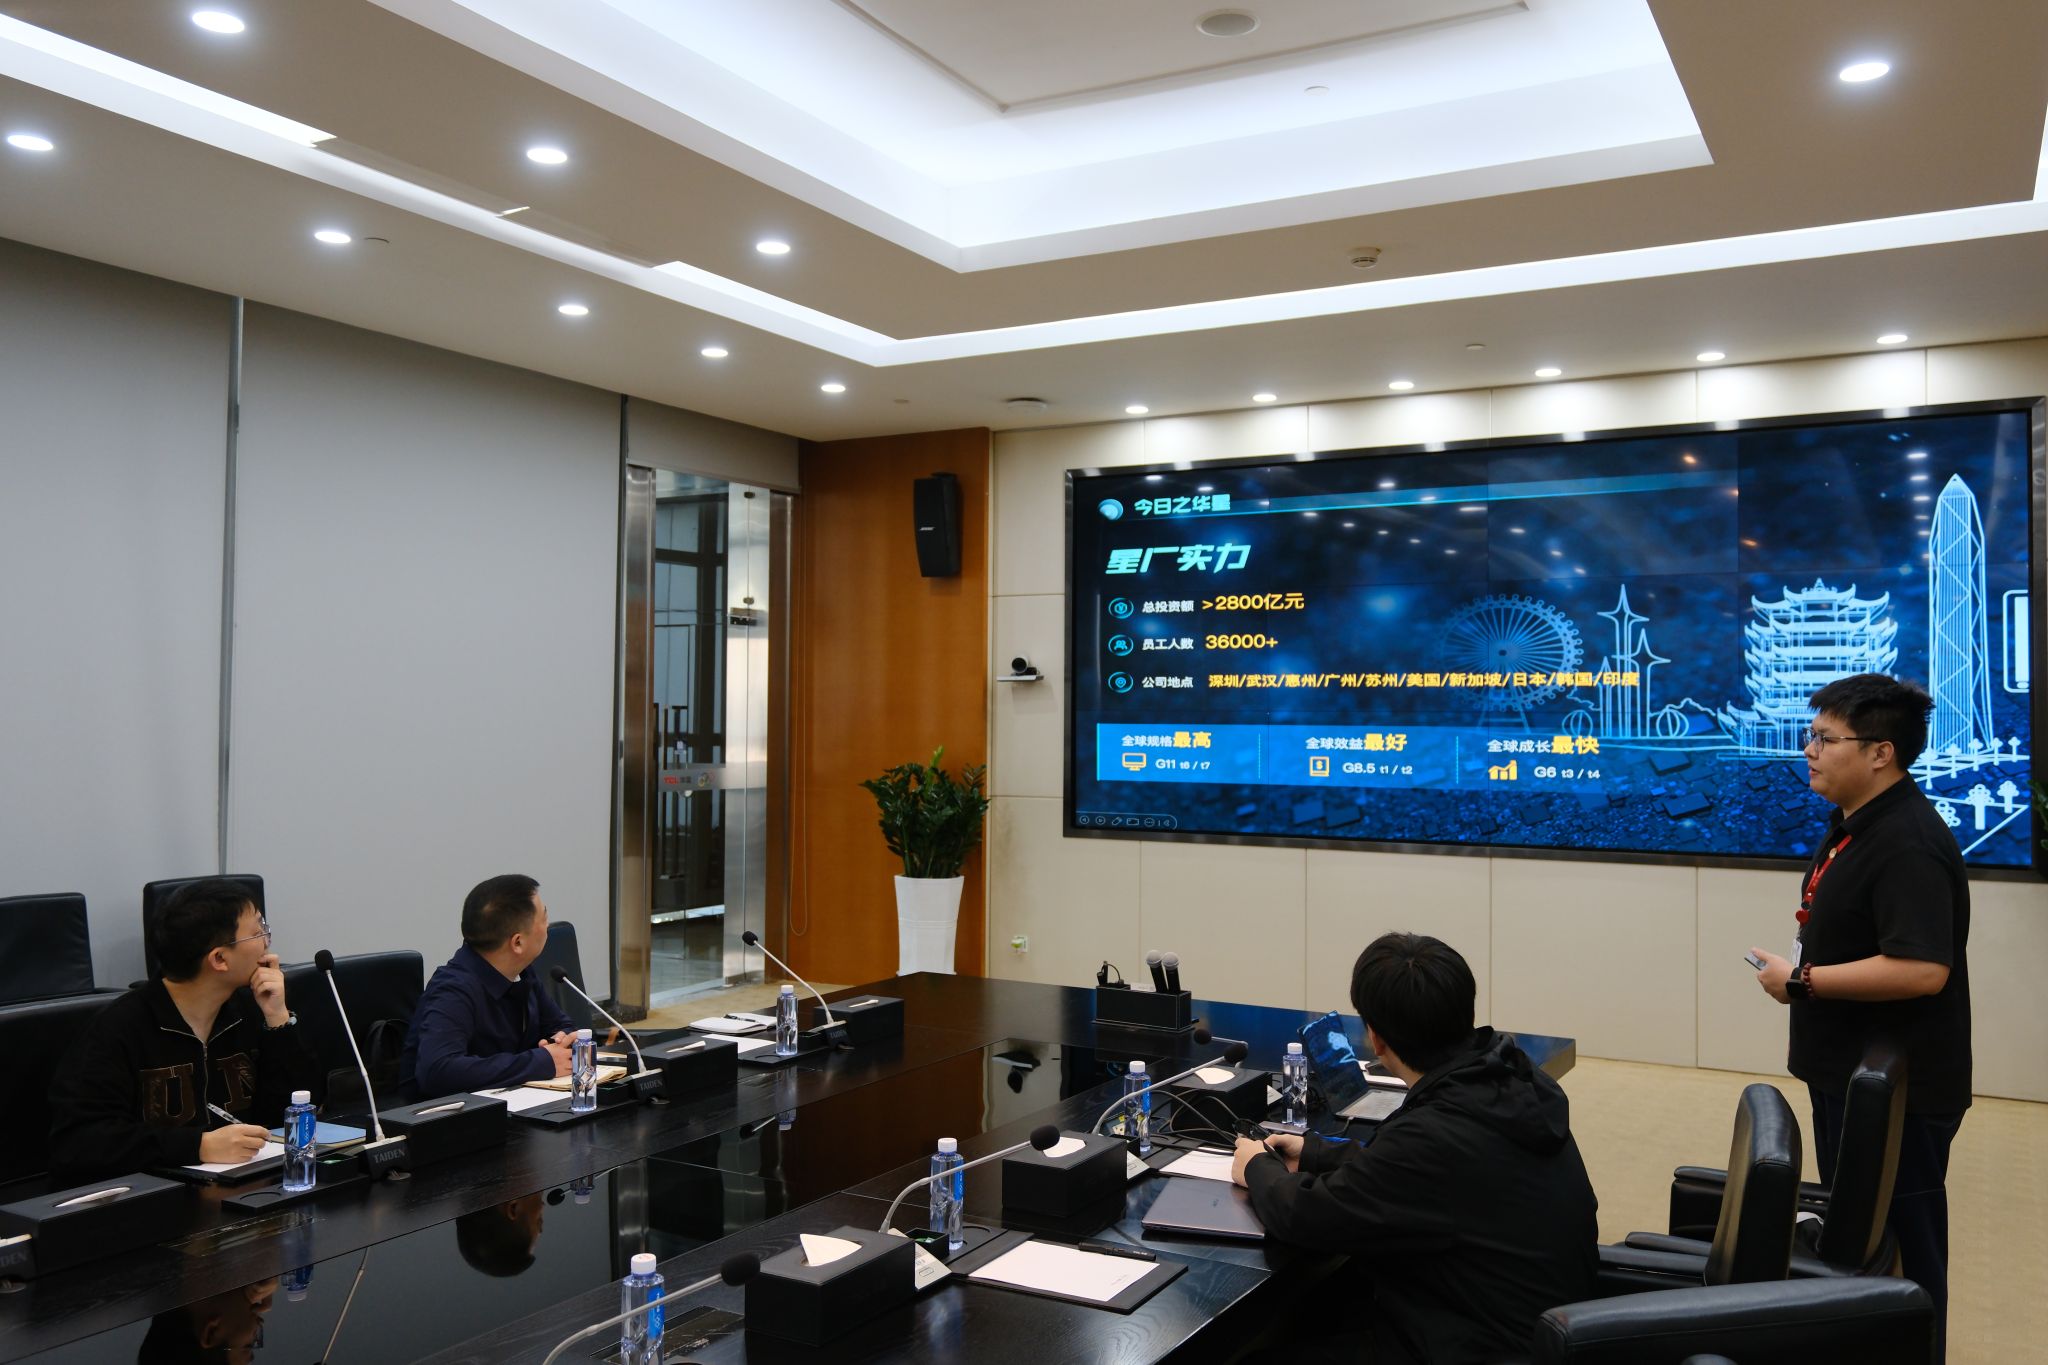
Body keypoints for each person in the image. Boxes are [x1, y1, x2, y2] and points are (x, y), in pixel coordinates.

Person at [1230, 933, 1598, 1364]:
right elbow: (1424, 1174)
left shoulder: (1434, 1134)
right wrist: (1314, 1154)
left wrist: (1256, 1165)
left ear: (1376, 1039)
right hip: (1526, 1325)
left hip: (1474, 1345)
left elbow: (1306, 1217)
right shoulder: (1511, 1080)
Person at [1748, 673, 1970, 1360]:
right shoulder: (1857, 823)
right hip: (1851, 1076)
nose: (1808, 750)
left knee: (1905, 1250)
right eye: (1810, 735)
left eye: (1825, 738)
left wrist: (1802, 981)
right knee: (1862, 1242)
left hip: (1897, 1093)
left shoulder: (1906, 841)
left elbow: (1922, 969)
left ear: (1881, 752)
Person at [48, 880, 320, 1184]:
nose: (267, 942)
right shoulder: (118, 1028)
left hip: (247, 1185)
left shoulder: (252, 1009)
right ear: (219, 959)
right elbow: (79, 1143)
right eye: (258, 932)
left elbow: (299, 1109)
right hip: (153, 1197)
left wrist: (278, 1020)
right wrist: (197, 1146)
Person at [399, 874, 576, 1099]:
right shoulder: (453, 989)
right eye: (544, 917)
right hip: (447, 1114)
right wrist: (541, 1062)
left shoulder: (522, 972)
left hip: (513, 1103)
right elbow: (439, 1071)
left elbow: (560, 1024)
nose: (547, 925)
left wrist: (559, 1042)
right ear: (518, 942)